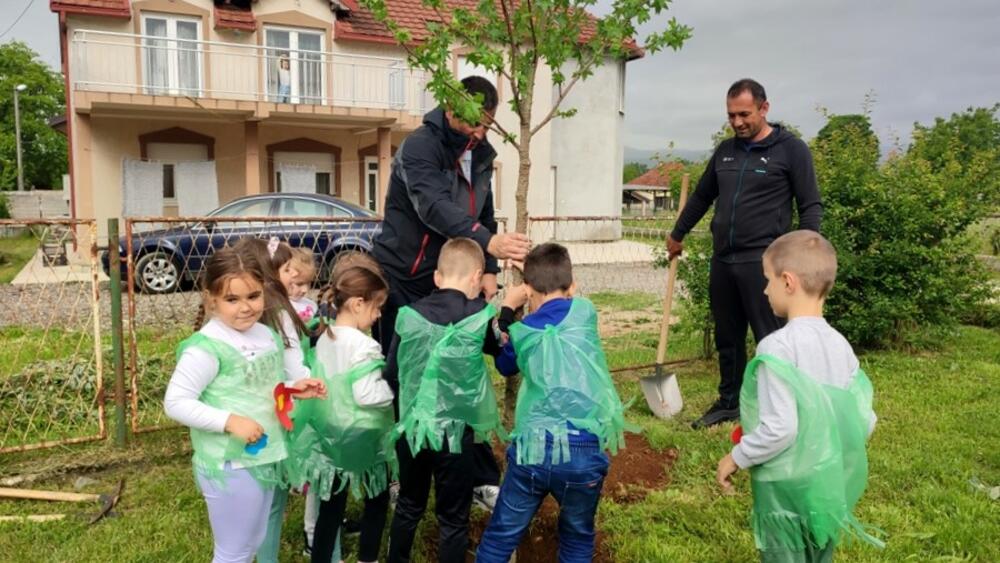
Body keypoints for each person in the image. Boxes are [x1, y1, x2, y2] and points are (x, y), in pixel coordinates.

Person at [371, 75, 530, 507]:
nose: (479, 132)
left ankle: (478, 477)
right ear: (449, 109)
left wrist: (489, 268)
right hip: (404, 273)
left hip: (455, 274)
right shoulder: (420, 147)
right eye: (472, 122)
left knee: (465, 373)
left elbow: (488, 211)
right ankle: (403, 473)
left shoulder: (479, 154)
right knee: (406, 373)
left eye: (488, 123)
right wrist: (487, 241)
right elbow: (433, 206)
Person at [715, 230, 881, 562]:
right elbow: (864, 419)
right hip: (826, 490)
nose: (764, 290)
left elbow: (780, 428)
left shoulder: (776, 347)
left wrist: (736, 457)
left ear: (788, 282)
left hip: (783, 497)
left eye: (767, 280)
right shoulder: (841, 346)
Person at [667, 78, 823, 429]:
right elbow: (702, 197)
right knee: (728, 336)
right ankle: (729, 402)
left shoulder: (791, 150)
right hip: (723, 260)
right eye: (731, 115)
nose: (737, 122)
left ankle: (779, 407)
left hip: (764, 263)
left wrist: (806, 252)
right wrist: (678, 233)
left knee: (772, 337)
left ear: (764, 108)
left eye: (744, 114)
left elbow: (810, 205)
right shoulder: (725, 151)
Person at [163, 247, 325, 563]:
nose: (245, 307)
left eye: (253, 296)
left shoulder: (264, 334)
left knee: (254, 541)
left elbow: (259, 386)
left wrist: (292, 388)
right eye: (232, 300)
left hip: (263, 456)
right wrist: (230, 421)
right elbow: (176, 402)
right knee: (233, 552)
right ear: (211, 300)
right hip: (231, 463)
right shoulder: (207, 348)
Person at [476, 243, 630, 563]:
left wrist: (508, 308)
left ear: (528, 289)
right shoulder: (585, 311)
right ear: (571, 286)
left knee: (501, 536)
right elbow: (568, 304)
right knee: (576, 537)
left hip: (532, 449)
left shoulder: (521, 332)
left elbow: (505, 366)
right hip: (583, 452)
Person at [385, 238, 505, 563]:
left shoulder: (408, 314)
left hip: (414, 429)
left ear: (437, 277)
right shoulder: (481, 313)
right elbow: (498, 349)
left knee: (410, 505)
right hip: (456, 434)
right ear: (477, 278)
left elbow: (393, 372)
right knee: (454, 517)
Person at [231, 237, 336, 563]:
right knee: (273, 496)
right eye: (286, 268)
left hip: (241, 418)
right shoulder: (281, 313)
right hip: (277, 416)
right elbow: (295, 365)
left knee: (256, 500)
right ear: (271, 272)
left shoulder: (233, 313)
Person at [289, 258, 396, 563]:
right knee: (376, 500)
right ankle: (368, 559)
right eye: (377, 308)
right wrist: (394, 392)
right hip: (362, 436)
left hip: (331, 433)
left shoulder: (325, 336)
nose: (377, 316)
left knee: (331, 507)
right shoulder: (365, 345)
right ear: (358, 304)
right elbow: (366, 394)